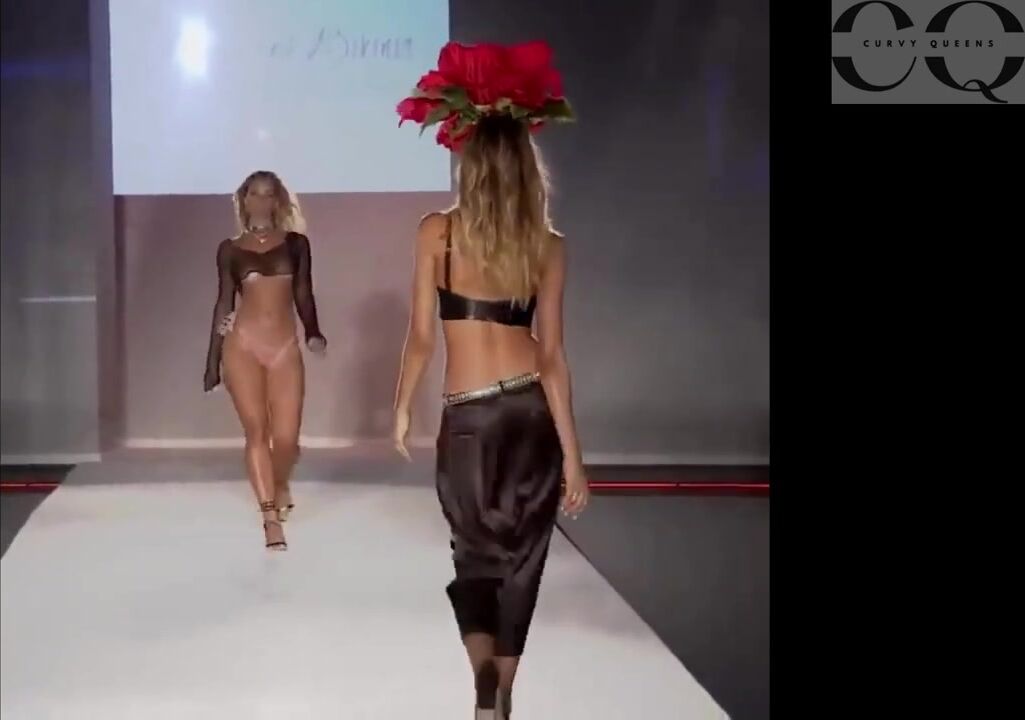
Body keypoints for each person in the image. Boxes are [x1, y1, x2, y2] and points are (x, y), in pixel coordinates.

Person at [392, 41, 588, 719]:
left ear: (469, 165)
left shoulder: (436, 233)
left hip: (468, 416)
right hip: (531, 411)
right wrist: (575, 457)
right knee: (523, 558)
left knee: (473, 554)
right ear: (528, 170)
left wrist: (400, 409)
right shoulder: (548, 246)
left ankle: (481, 676)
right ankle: (503, 690)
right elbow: (552, 356)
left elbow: (421, 338)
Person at [203, 170, 326, 551]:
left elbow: (303, 291)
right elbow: (224, 303)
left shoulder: (296, 244)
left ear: (278, 201)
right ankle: (270, 518)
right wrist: (211, 362)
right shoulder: (230, 249)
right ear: (244, 199)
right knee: (257, 432)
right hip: (242, 346)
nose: (260, 201)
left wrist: (313, 331)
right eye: (253, 194)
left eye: (268, 194)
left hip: (284, 347)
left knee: (286, 438)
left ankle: (280, 481)